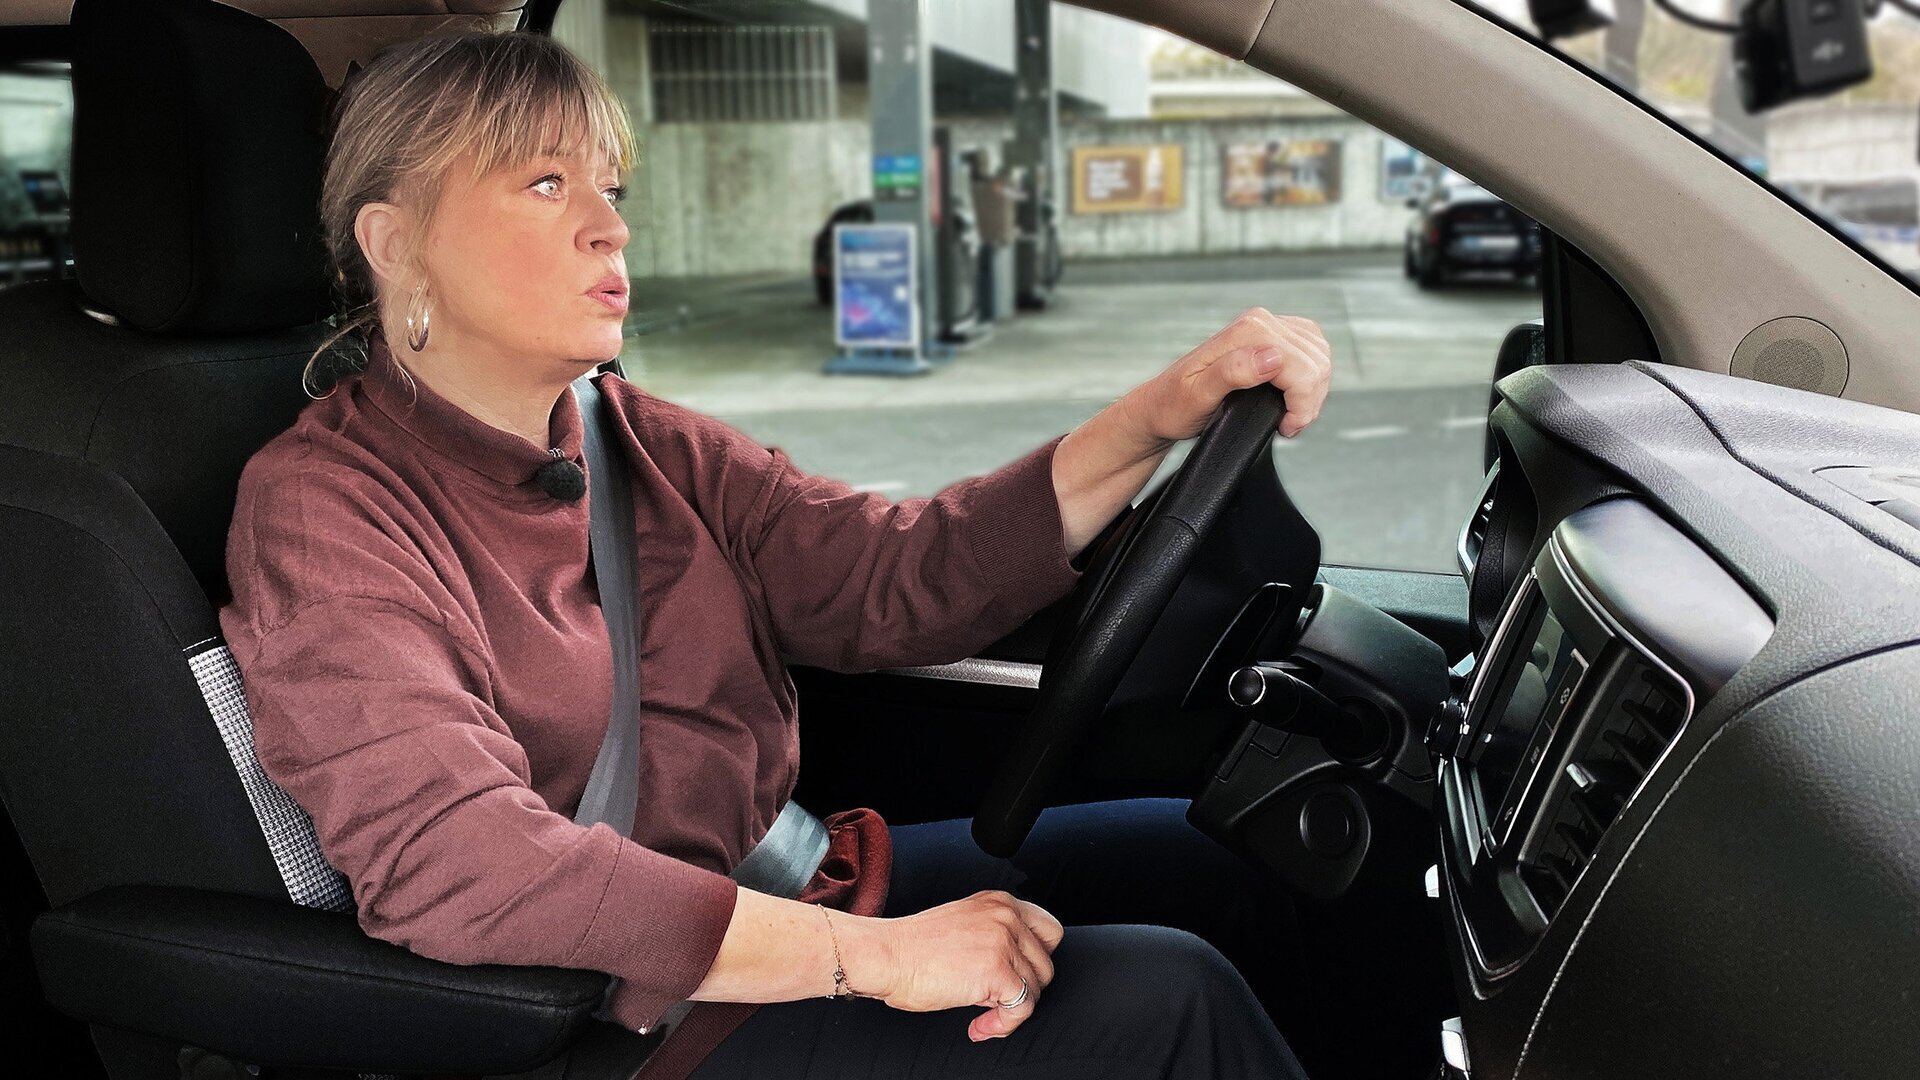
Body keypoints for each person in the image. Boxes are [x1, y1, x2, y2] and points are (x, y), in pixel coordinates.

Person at [218, 29, 1333, 1080]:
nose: (609, 227)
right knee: (1171, 999)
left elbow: (894, 578)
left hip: (790, 888)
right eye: (547, 184)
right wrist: (879, 959)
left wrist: (1157, 417)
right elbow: (459, 859)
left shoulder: (636, 439)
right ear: (395, 242)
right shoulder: (326, 512)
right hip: (629, 1022)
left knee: (1233, 862)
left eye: (611, 189)